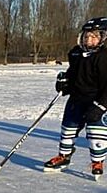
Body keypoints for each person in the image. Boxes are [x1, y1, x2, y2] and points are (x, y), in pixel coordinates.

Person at [43, 16, 107, 179]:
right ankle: (63, 157)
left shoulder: (103, 57)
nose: (88, 39)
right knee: (68, 129)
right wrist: (64, 82)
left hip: (98, 100)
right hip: (77, 99)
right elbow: (73, 75)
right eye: (86, 36)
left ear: (103, 38)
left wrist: (100, 107)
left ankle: (97, 161)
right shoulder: (77, 53)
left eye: (93, 36)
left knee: (96, 133)